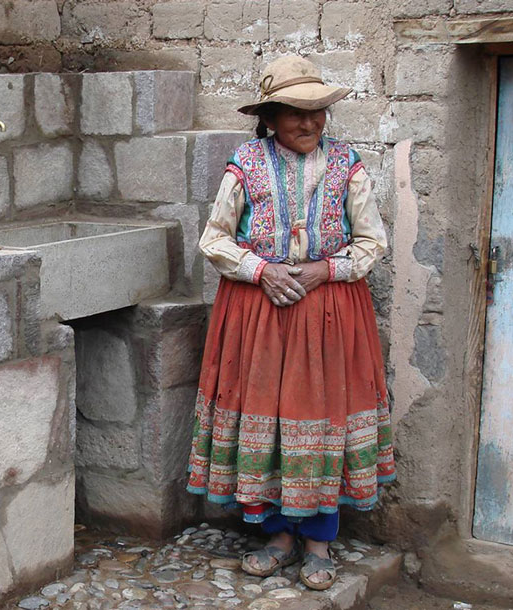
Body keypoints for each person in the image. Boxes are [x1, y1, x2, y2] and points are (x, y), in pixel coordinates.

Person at [185, 55, 396, 591]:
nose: (309, 124)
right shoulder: (246, 164)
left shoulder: (347, 165)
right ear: (270, 117)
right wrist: (260, 269)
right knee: (272, 419)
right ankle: (277, 535)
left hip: (330, 315)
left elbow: (372, 242)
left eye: (318, 113)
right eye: (295, 114)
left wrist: (327, 269)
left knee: (323, 418)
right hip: (260, 315)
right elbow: (213, 239)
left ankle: (321, 540)